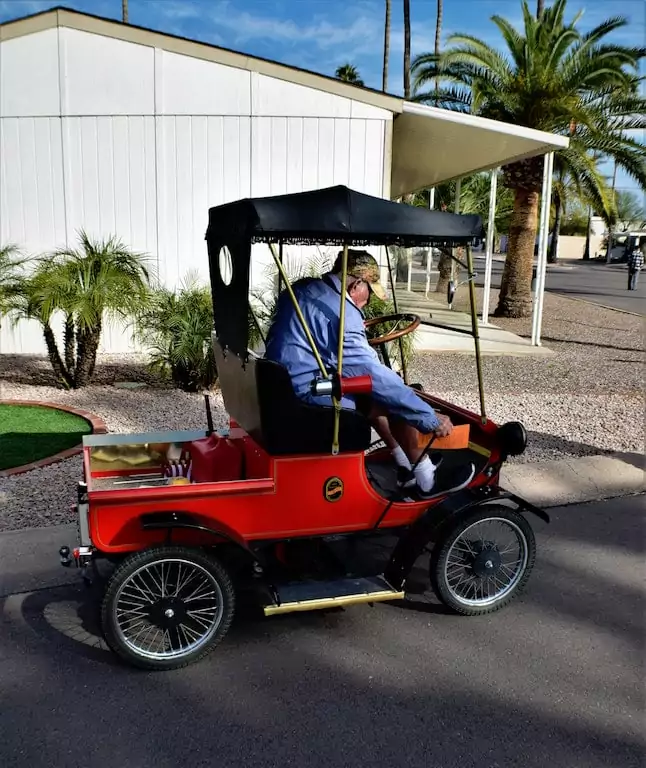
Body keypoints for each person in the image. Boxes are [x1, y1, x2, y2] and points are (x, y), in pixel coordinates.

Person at [264, 249, 475, 497]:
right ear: (356, 285)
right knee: (391, 395)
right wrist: (428, 417)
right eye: (368, 293)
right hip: (308, 397)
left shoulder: (304, 289)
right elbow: (373, 375)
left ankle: (406, 465)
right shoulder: (343, 313)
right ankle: (427, 480)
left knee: (381, 392)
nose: (367, 302)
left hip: (285, 387)